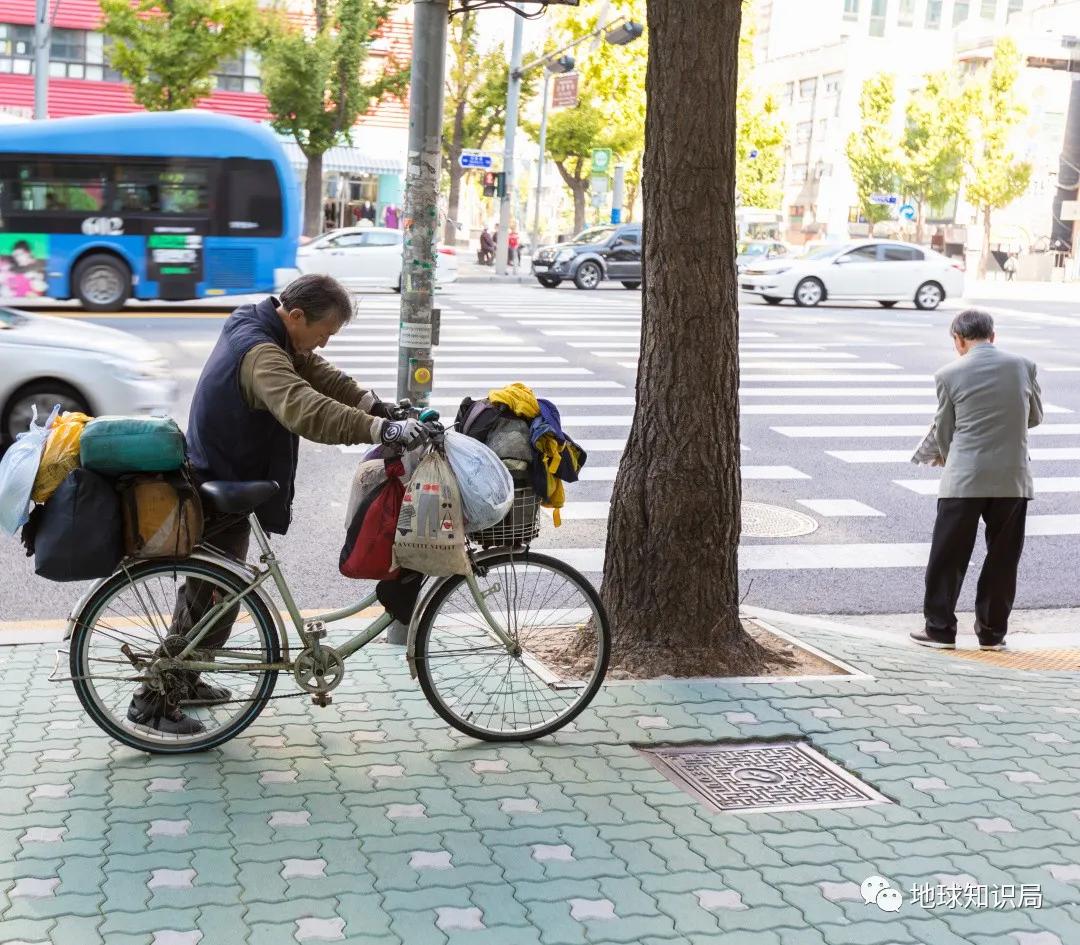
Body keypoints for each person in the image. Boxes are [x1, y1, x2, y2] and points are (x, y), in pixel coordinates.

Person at [127, 274, 424, 735]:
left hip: (224, 469)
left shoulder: (262, 324)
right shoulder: (262, 353)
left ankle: (184, 679)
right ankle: (152, 701)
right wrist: (378, 431)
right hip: (222, 478)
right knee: (212, 597)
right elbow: (303, 406)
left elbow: (314, 371)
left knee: (212, 594)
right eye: (323, 332)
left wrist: (374, 405)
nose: (323, 342)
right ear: (297, 315)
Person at [912, 309, 1043, 653]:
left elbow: (944, 430)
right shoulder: (1024, 365)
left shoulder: (948, 374)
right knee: (1002, 558)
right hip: (1013, 479)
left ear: (958, 340)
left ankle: (940, 631)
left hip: (964, 479)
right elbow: (1035, 417)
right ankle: (992, 634)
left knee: (948, 556)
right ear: (993, 336)